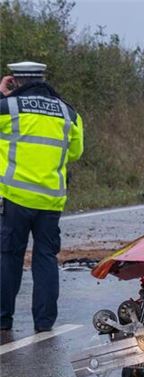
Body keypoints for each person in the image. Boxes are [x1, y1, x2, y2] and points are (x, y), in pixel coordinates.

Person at [0, 61, 84, 336]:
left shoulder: (7, 108)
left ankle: (3, 318)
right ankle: (44, 322)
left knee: (9, 256)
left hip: (14, 197)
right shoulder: (68, 112)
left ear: (16, 80)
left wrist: (3, 94)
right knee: (46, 257)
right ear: (42, 78)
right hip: (50, 200)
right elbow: (75, 153)